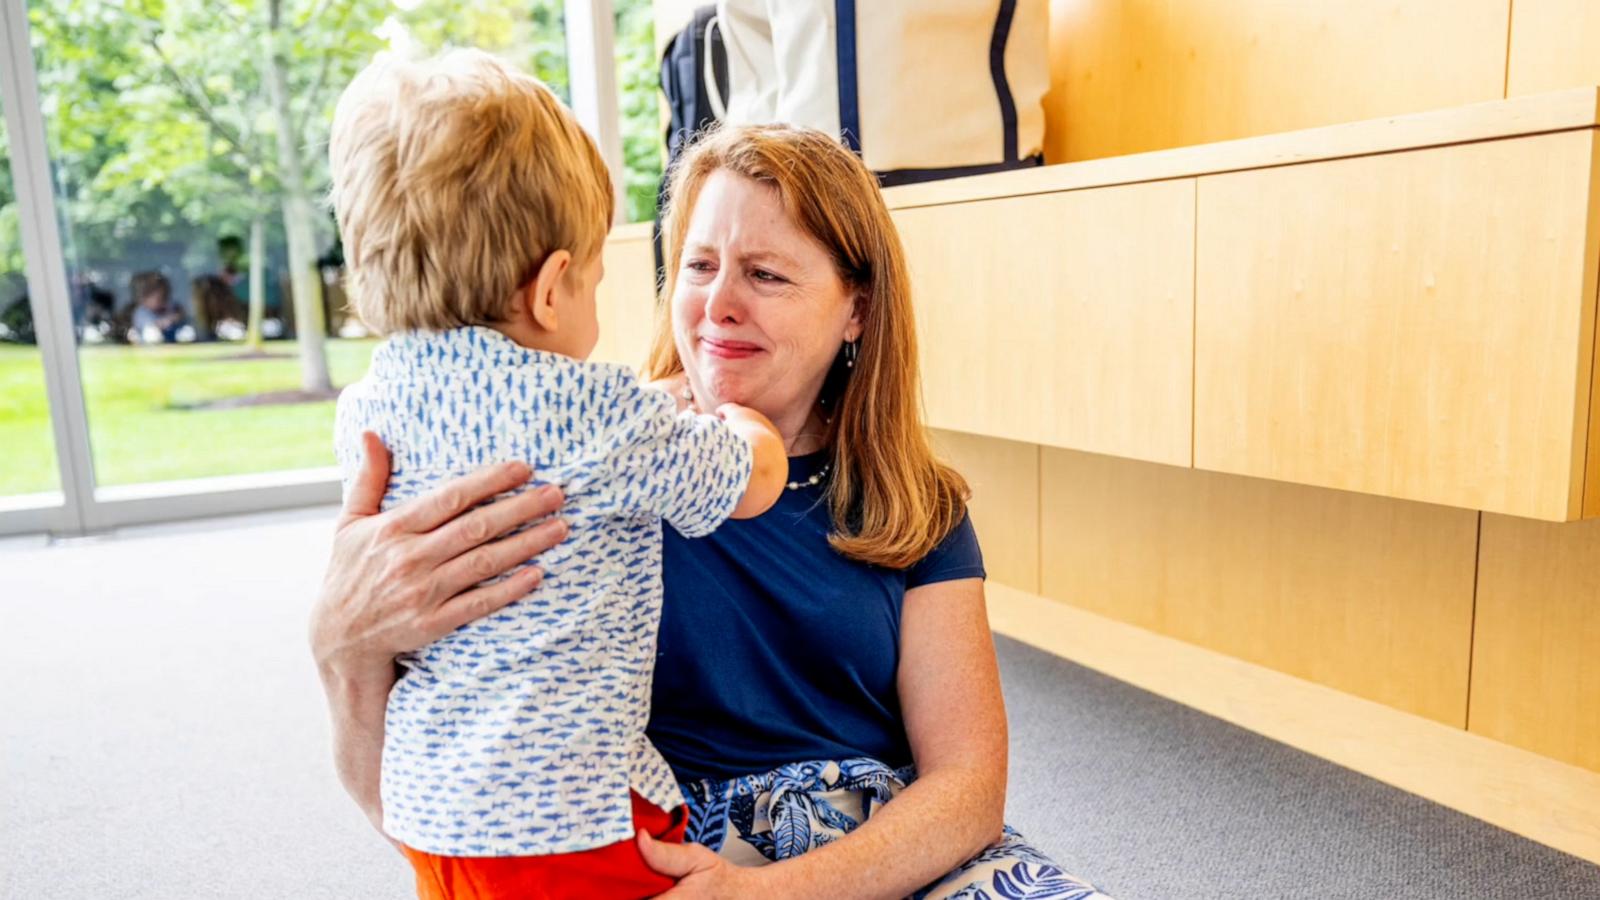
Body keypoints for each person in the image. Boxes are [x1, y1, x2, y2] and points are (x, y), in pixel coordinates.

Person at [311, 122, 1110, 899]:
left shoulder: (914, 503)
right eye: (698, 265)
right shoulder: (587, 467)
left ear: (856, 310)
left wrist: (771, 895)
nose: (718, 304)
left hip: (875, 855)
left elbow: (967, 791)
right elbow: (434, 791)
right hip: (655, 852)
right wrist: (339, 647)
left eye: (765, 274)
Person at [325, 50, 787, 899]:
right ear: (551, 290)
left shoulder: (367, 407)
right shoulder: (598, 411)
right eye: (597, 279)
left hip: (431, 813)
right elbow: (745, 481)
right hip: (571, 822)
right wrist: (739, 423)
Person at [127, 271, 189, 344]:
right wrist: (170, 319)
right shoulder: (141, 313)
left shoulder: (171, 307)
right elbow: (151, 326)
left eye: (166, 297)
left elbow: (182, 314)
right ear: (144, 299)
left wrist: (178, 315)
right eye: (160, 299)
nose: (164, 302)